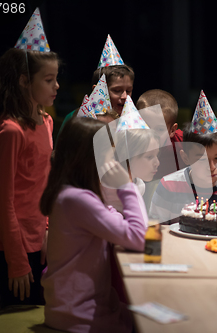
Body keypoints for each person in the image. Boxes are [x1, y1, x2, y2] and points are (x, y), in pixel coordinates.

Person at [40, 117, 147, 333]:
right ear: (90, 159)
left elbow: (113, 218)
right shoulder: (77, 199)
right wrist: (126, 186)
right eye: (109, 157)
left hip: (72, 308)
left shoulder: (71, 193)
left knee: (146, 314)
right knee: (152, 323)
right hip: (79, 317)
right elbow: (139, 237)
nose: (113, 165)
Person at [0, 47, 59, 306]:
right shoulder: (11, 131)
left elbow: (43, 184)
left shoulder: (46, 121)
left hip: (37, 233)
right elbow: (3, 201)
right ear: (25, 81)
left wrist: (47, 228)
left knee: (40, 308)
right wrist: (16, 260)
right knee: (19, 311)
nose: (56, 86)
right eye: (48, 80)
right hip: (12, 240)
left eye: (56, 78)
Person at [150, 91, 217, 224]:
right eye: (201, 160)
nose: (211, 167)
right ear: (185, 158)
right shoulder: (168, 186)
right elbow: (156, 229)